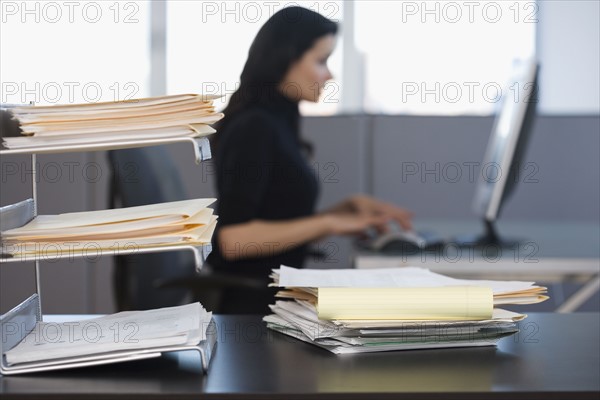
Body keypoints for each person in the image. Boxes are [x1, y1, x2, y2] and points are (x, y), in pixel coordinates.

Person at [206, 6, 413, 314]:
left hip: (276, 302)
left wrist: (346, 209)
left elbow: (276, 220)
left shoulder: (278, 119)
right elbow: (233, 240)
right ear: (285, 59)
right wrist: (328, 223)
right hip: (249, 312)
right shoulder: (254, 126)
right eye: (321, 61)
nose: (329, 74)